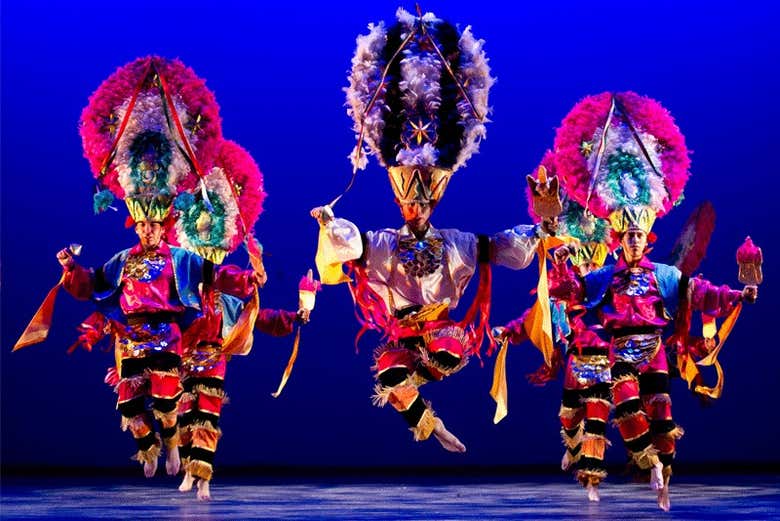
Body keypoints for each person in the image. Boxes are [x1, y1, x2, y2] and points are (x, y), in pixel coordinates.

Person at [551, 206, 757, 510]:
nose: (634, 240)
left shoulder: (664, 274)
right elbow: (570, 290)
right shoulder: (606, 276)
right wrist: (561, 264)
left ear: (646, 239)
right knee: (627, 409)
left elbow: (702, 292)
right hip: (620, 350)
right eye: (629, 235)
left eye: (639, 235)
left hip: (654, 350)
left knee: (662, 417)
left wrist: (738, 295)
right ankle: (652, 465)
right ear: (621, 241)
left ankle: (665, 481)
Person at [57, 204, 262, 479]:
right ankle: (147, 446)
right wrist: (70, 266)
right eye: (142, 225)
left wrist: (249, 277)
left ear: (163, 227)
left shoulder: (180, 258)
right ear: (136, 227)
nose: (147, 230)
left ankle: (172, 445)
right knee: (128, 403)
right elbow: (93, 282)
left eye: (153, 224)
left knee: (165, 399)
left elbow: (216, 275)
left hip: (166, 333)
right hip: (133, 335)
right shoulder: (123, 259)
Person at [177, 277, 310, 500]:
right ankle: (189, 472)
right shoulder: (185, 299)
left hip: (213, 360)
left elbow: (261, 317)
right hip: (186, 361)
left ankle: (204, 479)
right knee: (186, 417)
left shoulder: (228, 303)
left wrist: (294, 316)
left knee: (207, 419)